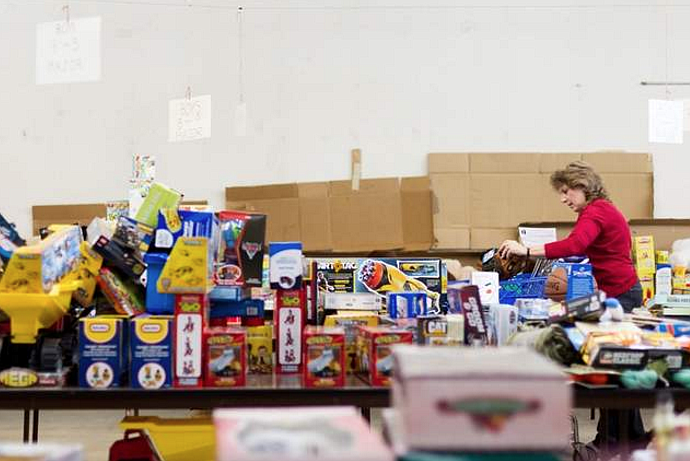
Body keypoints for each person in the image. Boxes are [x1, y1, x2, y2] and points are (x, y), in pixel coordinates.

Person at [498, 160, 645, 452]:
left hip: (621, 295)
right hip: (616, 293)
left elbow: (575, 245)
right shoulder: (601, 210)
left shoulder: (596, 210)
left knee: (612, 371)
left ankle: (613, 443)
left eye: (567, 191)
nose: (564, 198)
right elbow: (582, 249)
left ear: (583, 186)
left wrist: (525, 250)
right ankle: (624, 439)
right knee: (616, 371)